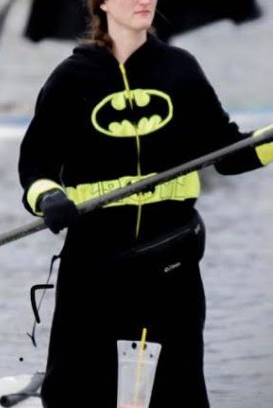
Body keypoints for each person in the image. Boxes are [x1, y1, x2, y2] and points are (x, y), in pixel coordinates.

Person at [18, 0, 273, 407]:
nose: (144, 0)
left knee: (180, 389)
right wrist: (48, 196)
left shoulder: (180, 69)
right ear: (101, 3)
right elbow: (35, 166)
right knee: (76, 387)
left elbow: (228, 153)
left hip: (170, 255)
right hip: (95, 260)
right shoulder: (70, 79)